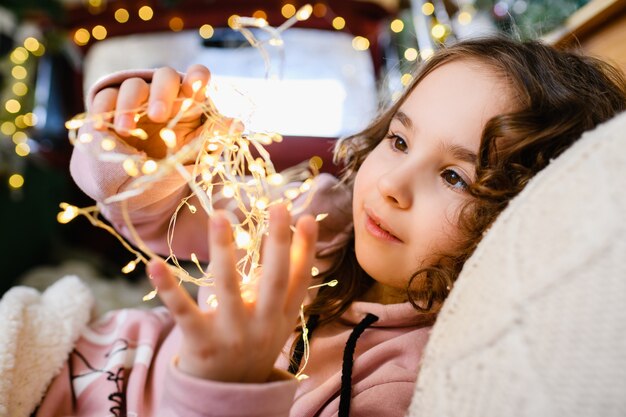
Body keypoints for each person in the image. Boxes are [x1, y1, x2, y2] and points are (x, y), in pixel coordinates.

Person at [35, 36, 625, 416]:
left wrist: (226, 388)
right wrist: (137, 149)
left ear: (519, 219)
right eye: (398, 140)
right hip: (56, 355)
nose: (391, 183)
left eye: (455, 178)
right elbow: (164, 215)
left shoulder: (401, 381)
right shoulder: (322, 217)